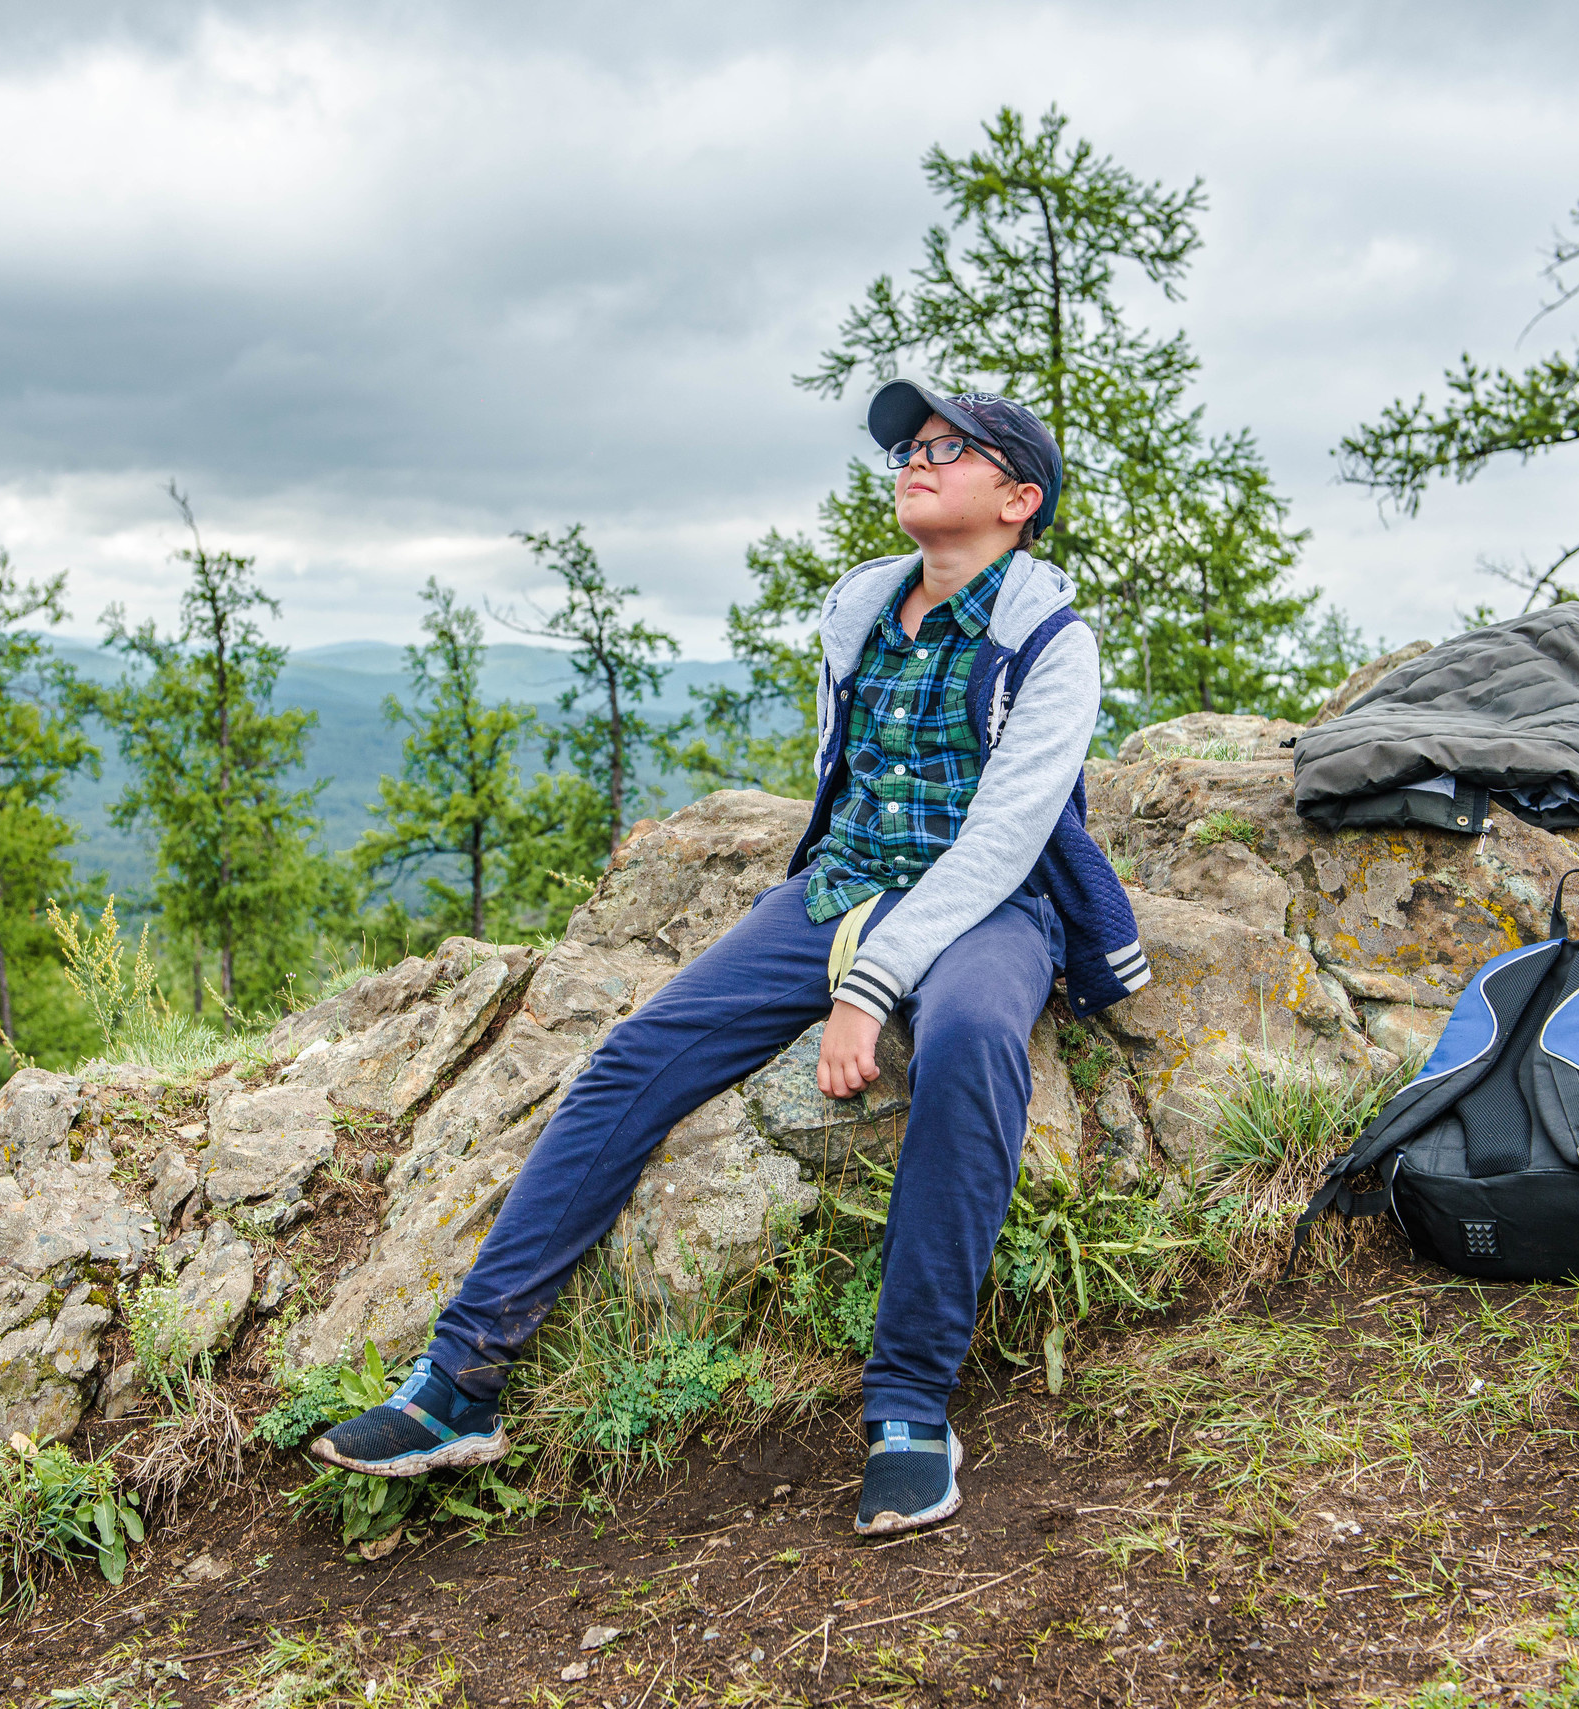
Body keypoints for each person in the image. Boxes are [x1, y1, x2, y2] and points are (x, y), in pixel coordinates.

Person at [312, 380, 1147, 1535]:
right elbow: (839, 785)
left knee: (967, 1041)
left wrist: (868, 987)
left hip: (992, 905)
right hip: (840, 884)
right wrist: (838, 937)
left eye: (950, 448)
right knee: (634, 1054)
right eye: (910, 444)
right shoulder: (860, 612)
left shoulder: (1050, 639)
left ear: (1018, 498)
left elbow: (1006, 835)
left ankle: (908, 1406)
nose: (916, 458)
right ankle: (459, 1381)